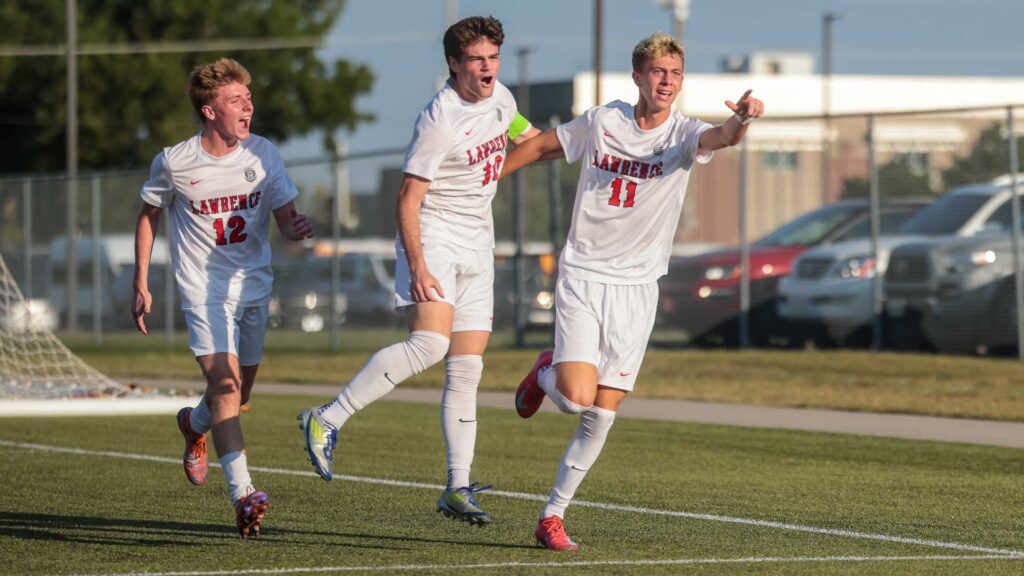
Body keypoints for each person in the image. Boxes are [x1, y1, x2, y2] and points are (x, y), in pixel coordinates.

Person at [501, 32, 764, 550]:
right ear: (638, 76)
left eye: (675, 73)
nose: (667, 81)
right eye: (658, 71)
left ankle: (552, 515)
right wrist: (487, 181)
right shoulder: (604, 121)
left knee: (602, 413)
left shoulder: (685, 132)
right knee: (575, 400)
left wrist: (744, 119)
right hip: (584, 273)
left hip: (638, 287)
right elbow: (543, 146)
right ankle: (545, 372)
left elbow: (724, 138)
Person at [297, 15, 539, 526]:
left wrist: (584, 142)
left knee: (467, 369)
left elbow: (529, 140)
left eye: (493, 57)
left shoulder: (502, 99)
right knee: (430, 345)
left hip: (478, 244)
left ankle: (457, 487)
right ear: (453, 63)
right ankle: (327, 417)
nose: (487, 67)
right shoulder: (440, 119)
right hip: (434, 237)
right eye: (476, 59)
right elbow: (407, 200)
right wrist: (419, 264)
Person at [132, 57, 314, 539]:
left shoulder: (264, 154)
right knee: (227, 387)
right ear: (210, 111)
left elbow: (285, 216)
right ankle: (243, 494)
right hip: (204, 291)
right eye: (236, 100)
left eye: (248, 98)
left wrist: (295, 226)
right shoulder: (174, 161)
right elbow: (148, 215)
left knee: (238, 393)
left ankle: (194, 425)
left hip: (253, 286)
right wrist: (141, 281)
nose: (247, 106)